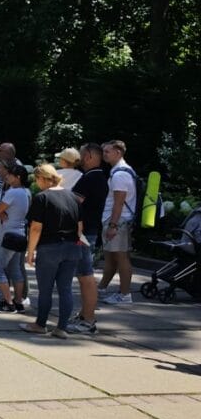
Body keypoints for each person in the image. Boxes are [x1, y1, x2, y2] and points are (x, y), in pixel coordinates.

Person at [21, 164, 84, 338]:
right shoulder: (72, 197)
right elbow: (80, 227)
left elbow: (35, 228)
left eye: (37, 179)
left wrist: (31, 251)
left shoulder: (42, 198)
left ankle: (41, 324)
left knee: (46, 289)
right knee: (65, 289)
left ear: (42, 178)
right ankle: (62, 327)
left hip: (50, 248)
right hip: (72, 248)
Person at [68, 142, 106, 334]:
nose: (79, 160)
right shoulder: (97, 177)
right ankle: (85, 315)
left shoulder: (90, 178)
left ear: (89, 156)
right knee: (84, 274)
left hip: (84, 232)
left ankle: (89, 320)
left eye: (82, 155)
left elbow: (73, 203)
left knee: (85, 275)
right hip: (88, 230)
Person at [97, 140, 137, 305]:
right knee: (112, 257)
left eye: (107, 151)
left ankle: (125, 294)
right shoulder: (121, 171)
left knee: (121, 257)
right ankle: (101, 288)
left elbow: (119, 203)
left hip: (118, 221)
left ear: (118, 152)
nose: (104, 154)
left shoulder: (120, 175)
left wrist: (113, 225)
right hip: (117, 220)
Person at [0, 164, 31, 313]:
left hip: (9, 236)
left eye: (10, 175)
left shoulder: (13, 192)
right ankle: (18, 302)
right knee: (15, 270)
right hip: (20, 235)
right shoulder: (26, 192)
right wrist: (1, 212)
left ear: (18, 177)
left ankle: (8, 303)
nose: (7, 176)